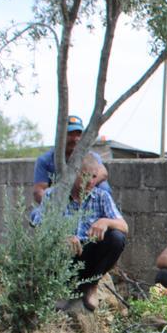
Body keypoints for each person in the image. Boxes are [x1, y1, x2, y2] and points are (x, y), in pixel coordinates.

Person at [32, 153, 128, 311]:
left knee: (116, 237)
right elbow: (39, 226)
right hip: (63, 256)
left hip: (89, 254)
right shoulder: (54, 195)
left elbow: (124, 226)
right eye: (85, 176)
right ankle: (60, 289)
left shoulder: (101, 196)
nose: (90, 181)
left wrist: (105, 222)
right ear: (74, 174)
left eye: (94, 176)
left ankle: (91, 285)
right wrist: (60, 237)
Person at [33, 115, 111, 205]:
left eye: (78, 134)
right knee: (36, 214)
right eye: (70, 134)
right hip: (59, 201)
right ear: (61, 135)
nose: (75, 138)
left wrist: (86, 184)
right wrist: (53, 207)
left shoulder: (90, 156)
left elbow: (103, 173)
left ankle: (105, 212)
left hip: (86, 202)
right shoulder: (45, 160)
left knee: (103, 186)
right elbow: (39, 191)